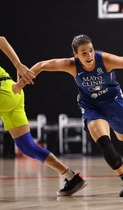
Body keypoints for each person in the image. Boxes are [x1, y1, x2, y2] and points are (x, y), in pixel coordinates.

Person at [13, 34, 123, 197]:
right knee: (104, 143)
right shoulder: (71, 65)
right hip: (91, 106)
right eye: (84, 53)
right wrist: (20, 84)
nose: (89, 56)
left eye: (91, 51)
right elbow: (41, 65)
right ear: (75, 54)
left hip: (113, 101)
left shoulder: (105, 60)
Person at [0, 36, 87, 196]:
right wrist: (18, 65)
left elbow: (1, 39)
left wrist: (19, 65)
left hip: (3, 94)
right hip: (14, 91)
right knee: (27, 147)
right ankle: (71, 176)